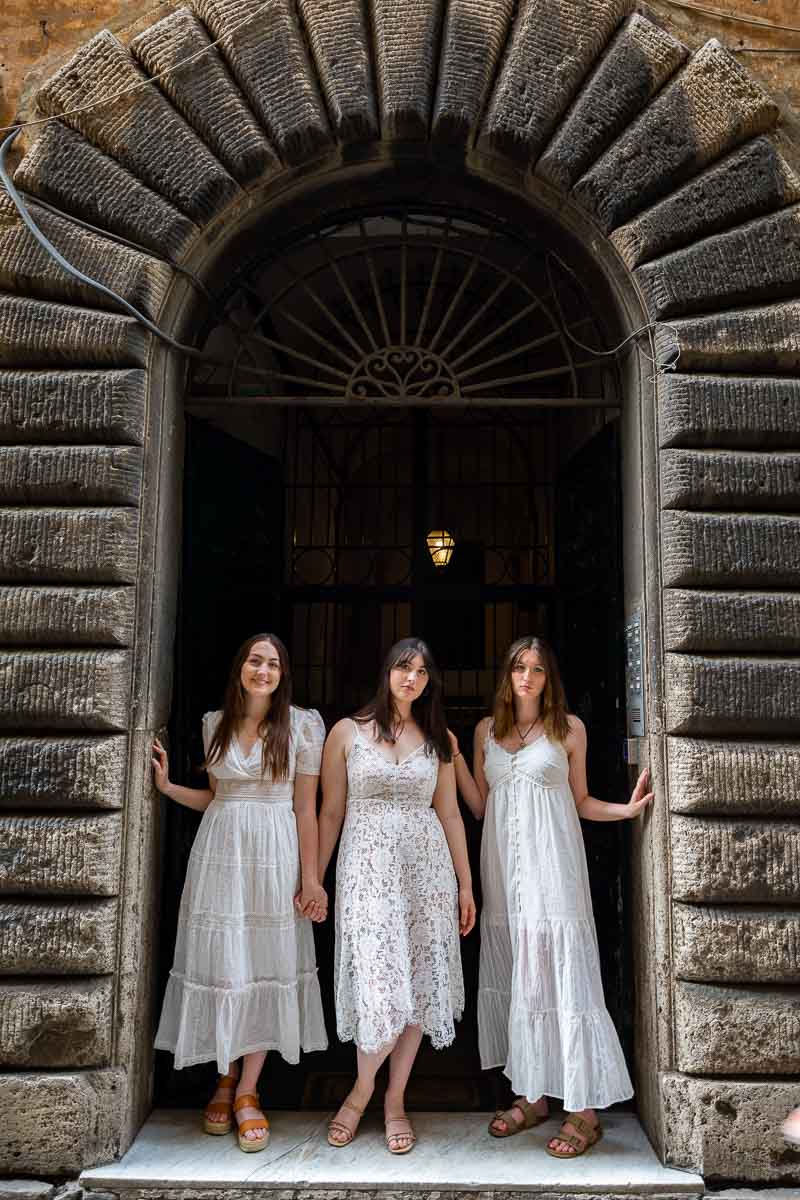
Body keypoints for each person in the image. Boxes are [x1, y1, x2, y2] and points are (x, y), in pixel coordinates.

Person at [452, 635, 653, 1159]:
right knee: (523, 971)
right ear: (507, 675)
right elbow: (478, 804)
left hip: (554, 871)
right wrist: (450, 758)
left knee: (563, 974)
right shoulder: (484, 733)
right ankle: (532, 1096)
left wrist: (625, 812)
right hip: (504, 876)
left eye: (538, 669)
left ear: (548, 679)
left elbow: (581, 800)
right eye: (520, 667)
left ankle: (583, 1111)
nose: (528, 677)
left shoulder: (568, 730)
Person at [152, 633, 328, 1152]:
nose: (263, 670)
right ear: (241, 668)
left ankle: (249, 1089)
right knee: (227, 963)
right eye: (255, 660)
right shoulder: (215, 723)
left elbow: (306, 809)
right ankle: (223, 1079)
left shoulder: (302, 726)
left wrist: (312, 878)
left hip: (276, 856)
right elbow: (216, 797)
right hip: (221, 856)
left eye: (273, 663)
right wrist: (166, 789)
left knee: (265, 963)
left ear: (282, 674)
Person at [318, 637, 476, 1155]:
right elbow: (331, 812)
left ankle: (394, 1100)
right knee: (379, 981)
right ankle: (363, 1090)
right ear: (387, 672)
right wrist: (313, 878)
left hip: (426, 873)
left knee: (418, 987)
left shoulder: (438, 738)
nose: (412, 679)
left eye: (423, 673)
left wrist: (466, 884)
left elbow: (451, 812)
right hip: (366, 873)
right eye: (404, 668)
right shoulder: (346, 732)